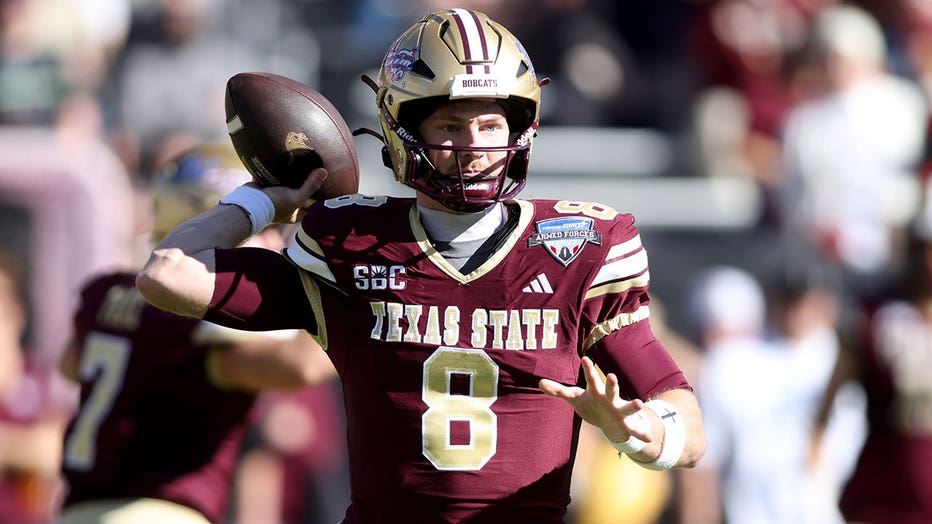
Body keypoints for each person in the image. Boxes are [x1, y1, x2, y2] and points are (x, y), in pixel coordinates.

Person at [136, 8, 706, 523]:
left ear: (521, 127)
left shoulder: (576, 245)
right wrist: (265, 199)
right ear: (402, 127)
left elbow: (689, 427)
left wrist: (640, 433)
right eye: (452, 127)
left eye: (491, 125)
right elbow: (167, 274)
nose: (476, 145)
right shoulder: (351, 244)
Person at [57, 143, 336, 524]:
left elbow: (72, 366)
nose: (275, 244)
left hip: (75, 512)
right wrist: (364, 306)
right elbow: (298, 367)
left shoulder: (105, 291)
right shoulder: (193, 316)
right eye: (262, 227)